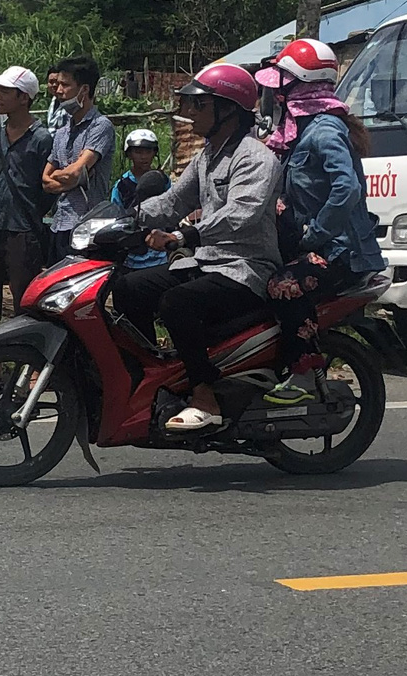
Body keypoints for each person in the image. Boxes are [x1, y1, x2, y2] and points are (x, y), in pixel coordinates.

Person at [111, 62, 283, 432]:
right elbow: (174, 201)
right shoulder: (207, 155)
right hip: (207, 262)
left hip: (245, 268)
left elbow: (242, 215)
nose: (189, 114)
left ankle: (204, 395)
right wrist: (128, 219)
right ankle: (155, 378)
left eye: (199, 106)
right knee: (127, 287)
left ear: (228, 111)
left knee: (178, 302)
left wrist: (184, 236)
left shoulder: (255, 157)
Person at [255, 38, 384, 401]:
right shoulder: (295, 133)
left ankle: (306, 374)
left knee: (282, 285)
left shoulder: (324, 130)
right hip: (317, 246)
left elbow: (347, 188)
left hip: (341, 252)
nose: (275, 94)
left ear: (299, 85)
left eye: (282, 84)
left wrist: (315, 233)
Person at [0, 66, 54, 330]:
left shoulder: (42, 139)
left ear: (24, 98)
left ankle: (26, 362)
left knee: (25, 299)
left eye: (6, 91)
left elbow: (46, 191)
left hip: (24, 228)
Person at [42, 54, 115, 257]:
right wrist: (72, 178)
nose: (58, 91)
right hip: (60, 223)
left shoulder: (101, 126)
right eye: (58, 85)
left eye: (65, 85)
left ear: (84, 90)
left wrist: (68, 175)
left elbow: (74, 172)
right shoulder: (63, 130)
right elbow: (45, 181)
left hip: (87, 226)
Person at [109, 128, 172, 271]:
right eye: (138, 152)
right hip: (132, 254)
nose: (143, 157)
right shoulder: (122, 185)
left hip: (161, 251)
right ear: (129, 154)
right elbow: (116, 214)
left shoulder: (162, 180)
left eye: (148, 151)